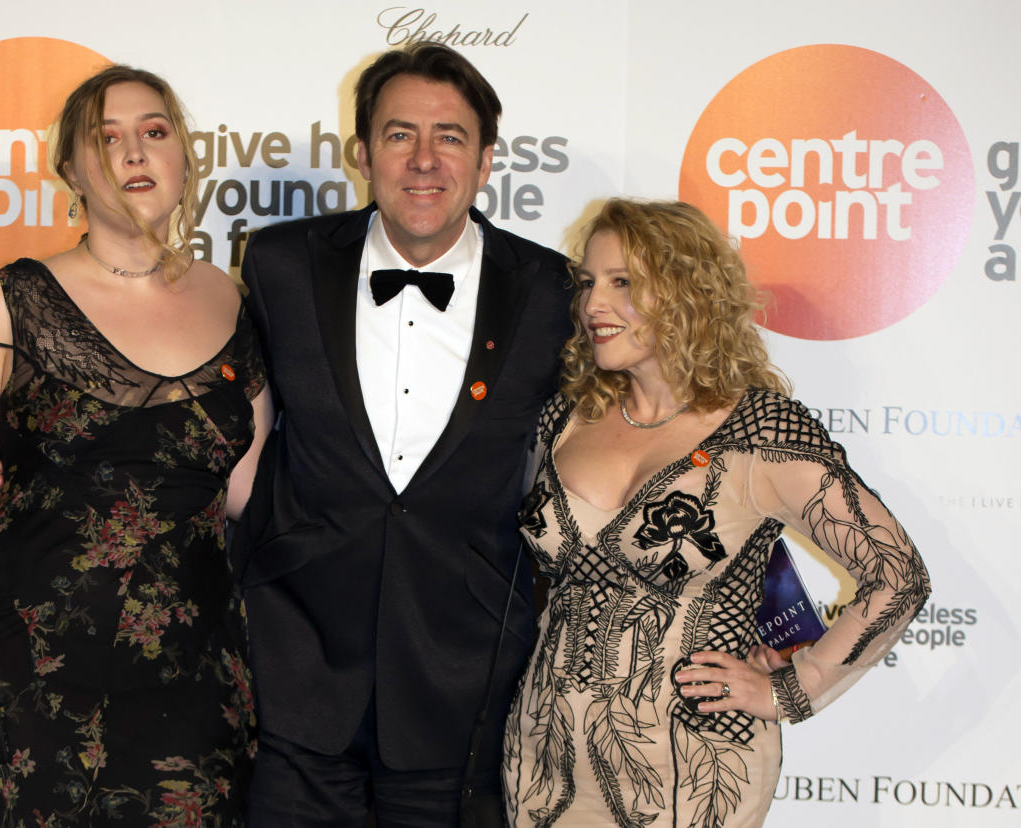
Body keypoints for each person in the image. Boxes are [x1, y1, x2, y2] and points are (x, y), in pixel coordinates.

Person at [0, 65, 271, 826]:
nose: (134, 153)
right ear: (72, 170)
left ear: (186, 160)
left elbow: (246, 495)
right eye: (107, 138)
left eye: (154, 132)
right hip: (31, 689)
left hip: (192, 697)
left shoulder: (239, 304)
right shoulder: (11, 302)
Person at [501, 198, 931, 827]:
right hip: (545, 764)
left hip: (695, 774)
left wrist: (795, 687)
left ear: (684, 293)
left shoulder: (755, 430)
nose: (593, 304)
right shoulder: (565, 417)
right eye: (590, 283)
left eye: (623, 283)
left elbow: (898, 576)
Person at [233, 43, 572, 825]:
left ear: (488, 159)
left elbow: (630, 448)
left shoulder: (553, 292)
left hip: (468, 678)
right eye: (398, 135)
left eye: (449, 137)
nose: (424, 160)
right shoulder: (281, 264)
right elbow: (224, 433)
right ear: (361, 153)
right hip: (297, 665)